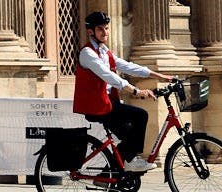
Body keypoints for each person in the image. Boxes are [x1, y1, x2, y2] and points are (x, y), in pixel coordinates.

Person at [73, 11, 174, 173]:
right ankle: (129, 161)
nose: (105, 32)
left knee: (128, 135)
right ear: (90, 31)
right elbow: (110, 76)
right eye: (100, 29)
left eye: (106, 28)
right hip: (96, 105)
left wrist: (159, 75)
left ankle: (109, 174)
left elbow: (128, 66)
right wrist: (136, 91)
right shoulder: (87, 53)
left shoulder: (105, 52)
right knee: (140, 115)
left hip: (106, 103)